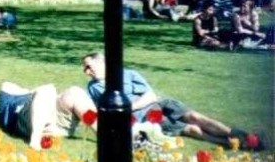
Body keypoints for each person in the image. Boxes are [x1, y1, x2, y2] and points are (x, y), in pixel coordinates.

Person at [82, 52, 263, 149]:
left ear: (102, 63)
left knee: (194, 116)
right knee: (191, 130)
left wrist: (127, 107)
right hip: (147, 119)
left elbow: (151, 96)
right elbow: (91, 110)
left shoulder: (128, 74)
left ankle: (239, 135)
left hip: (158, 104)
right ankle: (232, 144)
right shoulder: (93, 88)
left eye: (88, 67)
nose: (86, 72)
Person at [0, 82, 98, 150]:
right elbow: (5, 86)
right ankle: (35, 141)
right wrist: (32, 92)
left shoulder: (11, 98)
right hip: (27, 121)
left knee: (75, 92)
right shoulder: (9, 103)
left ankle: (102, 133)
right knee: (48, 89)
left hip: (54, 123)